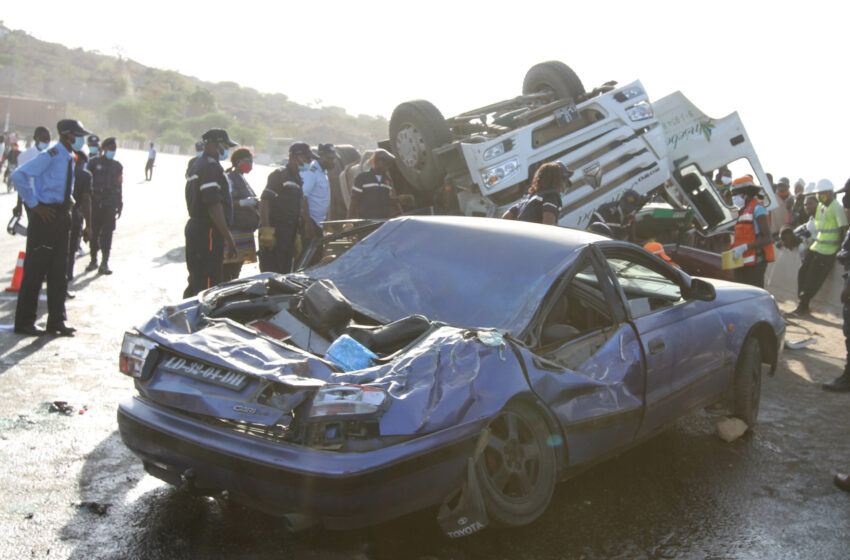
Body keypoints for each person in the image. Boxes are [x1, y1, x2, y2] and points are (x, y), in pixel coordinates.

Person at [10, 118, 91, 336]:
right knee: (35, 271)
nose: (80, 140)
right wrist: (35, 206)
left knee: (58, 272)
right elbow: (18, 176)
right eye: (77, 136)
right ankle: (25, 322)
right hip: (47, 216)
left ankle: (56, 321)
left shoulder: (68, 158)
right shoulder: (51, 156)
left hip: (62, 215)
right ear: (67, 136)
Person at [183, 128, 237, 298]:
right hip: (209, 231)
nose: (226, 150)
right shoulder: (211, 167)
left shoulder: (198, 164)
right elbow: (213, 205)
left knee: (197, 277)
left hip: (199, 228)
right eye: (225, 146)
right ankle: (200, 320)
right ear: (216, 145)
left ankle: (189, 314)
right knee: (208, 282)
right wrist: (228, 237)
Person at [792, 179, 849, 316]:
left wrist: (840, 249)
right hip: (817, 246)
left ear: (829, 193)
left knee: (813, 278)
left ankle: (803, 306)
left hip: (828, 250)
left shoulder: (835, 207)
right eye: (818, 194)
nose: (820, 196)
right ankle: (801, 302)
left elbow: (843, 228)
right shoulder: (821, 207)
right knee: (803, 272)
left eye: (822, 193)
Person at [258, 142, 309, 274]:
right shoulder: (279, 175)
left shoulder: (297, 178)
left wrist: (296, 234)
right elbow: (265, 202)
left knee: (285, 273)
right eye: (307, 158)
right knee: (271, 273)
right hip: (276, 233)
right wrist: (266, 230)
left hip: (289, 234)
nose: (309, 161)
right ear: (295, 157)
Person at [85, 137, 123, 275]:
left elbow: (119, 185)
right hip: (95, 203)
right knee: (94, 233)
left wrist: (120, 203)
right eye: (110, 149)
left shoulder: (117, 166)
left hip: (110, 204)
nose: (112, 151)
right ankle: (93, 260)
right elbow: (86, 184)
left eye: (114, 149)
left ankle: (104, 263)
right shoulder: (93, 163)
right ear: (104, 149)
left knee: (107, 234)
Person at [728, 176, 774, 288]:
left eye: (735, 194)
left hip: (756, 263)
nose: (733, 197)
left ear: (745, 194)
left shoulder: (758, 209)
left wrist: (744, 247)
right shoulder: (743, 210)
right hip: (743, 261)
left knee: (753, 294)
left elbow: (767, 238)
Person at [222, 147, 259, 281]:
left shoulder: (241, 178)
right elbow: (227, 202)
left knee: (236, 270)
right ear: (238, 162)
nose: (250, 164)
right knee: (229, 268)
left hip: (244, 230)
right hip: (235, 230)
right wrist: (243, 203)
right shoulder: (229, 177)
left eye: (251, 161)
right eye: (247, 161)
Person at [502, 162, 571, 224]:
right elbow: (548, 227)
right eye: (565, 182)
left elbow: (506, 217)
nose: (565, 187)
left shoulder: (528, 197)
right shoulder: (551, 196)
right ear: (557, 180)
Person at [348, 149, 403, 219]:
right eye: (385, 163)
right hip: (365, 221)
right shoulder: (362, 178)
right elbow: (354, 200)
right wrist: (349, 219)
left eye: (389, 164)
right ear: (376, 162)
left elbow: (386, 201)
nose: (388, 166)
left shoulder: (387, 181)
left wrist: (399, 199)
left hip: (382, 221)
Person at [67, 150, 92, 293]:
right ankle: (67, 278)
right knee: (71, 250)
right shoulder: (84, 175)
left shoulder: (60, 171)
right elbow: (86, 201)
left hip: (57, 217)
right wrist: (89, 226)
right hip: (75, 217)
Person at [300, 144, 334, 243]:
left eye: (333, 159)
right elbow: (303, 196)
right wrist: (307, 223)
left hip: (319, 222)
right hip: (311, 221)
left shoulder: (323, 172)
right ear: (321, 156)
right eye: (329, 158)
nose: (333, 161)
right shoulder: (311, 171)